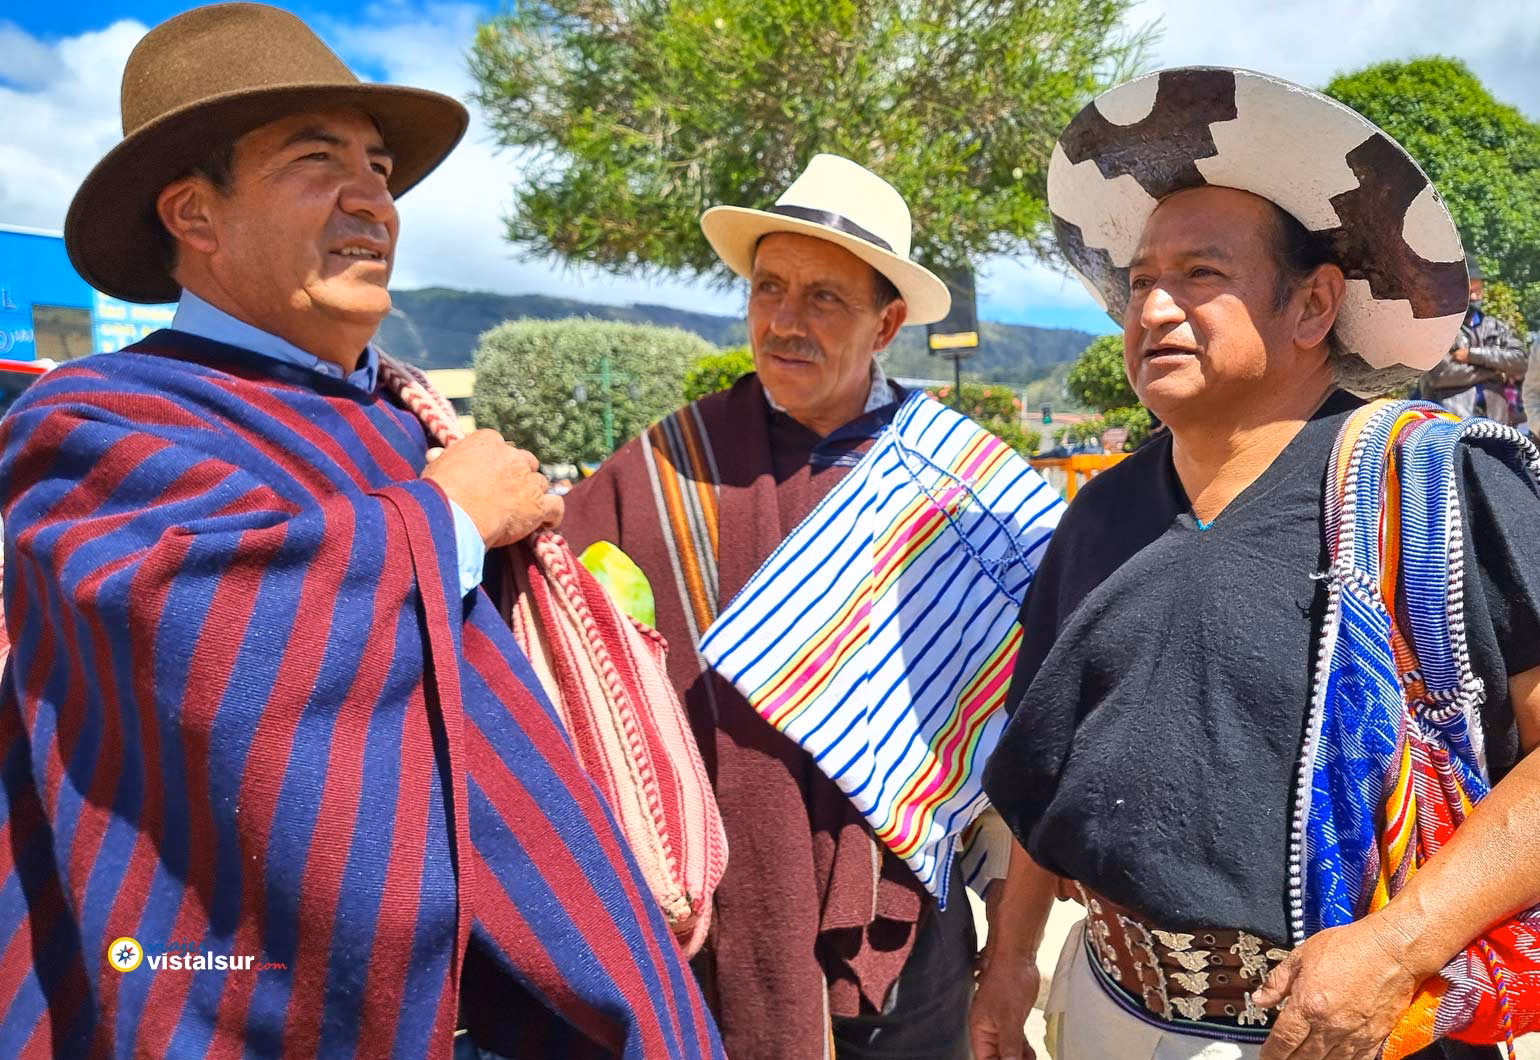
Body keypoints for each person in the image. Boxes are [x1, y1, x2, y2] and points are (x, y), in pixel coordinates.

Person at [0, 6, 720, 1057]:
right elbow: (197, 637)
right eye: (317, 160)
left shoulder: (403, 419)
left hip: (528, 999)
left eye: (379, 169)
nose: (373, 199)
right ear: (195, 214)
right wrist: (449, 518)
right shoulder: (93, 421)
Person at [971, 67, 1540, 1060]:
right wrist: (1010, 961)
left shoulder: (1438, 489)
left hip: (1353, 1030)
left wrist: (1398, 946)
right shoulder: (1099, 513)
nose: (1152, 309)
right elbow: (1047, 761)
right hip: (1104, 1005)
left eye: (1200, 274)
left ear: (1313, 304)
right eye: (1139, 281)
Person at [561, 154, 979, 1059]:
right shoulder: (667, 468)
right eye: (768, 289)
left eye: (824, 297)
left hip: (904, 916)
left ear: (887, 323)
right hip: (720, 912)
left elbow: (1012, 692)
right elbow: (558, 629)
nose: (785, 321)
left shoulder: (951, 481)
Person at [1420, 257, 1526, 421]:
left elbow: (1520, 361)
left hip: (1495, 421)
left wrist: (1473, 355)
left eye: (1479, 291)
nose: (1476, 297)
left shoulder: (1496, 327)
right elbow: (1440, 375)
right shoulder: (1439, 329)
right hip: (1450, 421)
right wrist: (1495, 371)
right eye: (1470, 292)